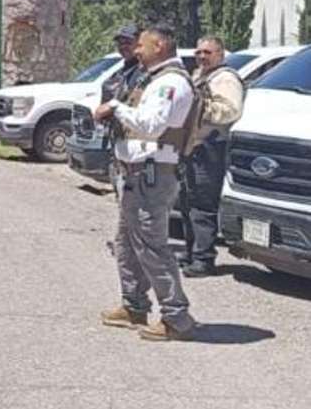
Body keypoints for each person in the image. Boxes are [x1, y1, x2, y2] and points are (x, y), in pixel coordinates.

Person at [94, 24, 199, 341]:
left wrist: (115, 106)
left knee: (152, 246)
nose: (136, 50)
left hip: (152, 175)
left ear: (162, 45)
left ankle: (177, 317)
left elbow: (151, 125)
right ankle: (134, 305)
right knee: (126, 242)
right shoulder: (153, 79)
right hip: (136, 173)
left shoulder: (170, 83)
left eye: (142, 44)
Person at [179, 36, 245, 277]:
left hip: (210, 148)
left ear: (220, 54)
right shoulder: (200, 76)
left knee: (203, 206)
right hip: (192, 148)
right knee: (187, 203)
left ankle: (203, 259)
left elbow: (230, 111)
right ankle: (190, 252)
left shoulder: (225, 78)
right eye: (199, 52)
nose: (202, 57)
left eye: (208, 52)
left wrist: (199, 108)